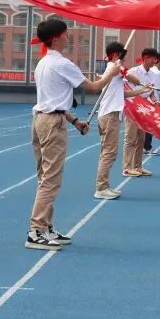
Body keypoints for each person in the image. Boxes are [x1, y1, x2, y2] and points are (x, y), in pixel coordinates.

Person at [27, 19, 120, 250]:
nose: (69, 38)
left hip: (41, 119)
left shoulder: (43, 64)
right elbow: (93, 87)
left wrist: (75, 120)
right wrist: (112, 72)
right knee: (51, 179)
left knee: (45, 177)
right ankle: (36, 230)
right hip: (51, 124)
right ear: (57, 38)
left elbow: (51, 102)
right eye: (66, 35)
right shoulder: (62, 63)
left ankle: (46, 227)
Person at [93, 41, 151, 200]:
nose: (125, 62)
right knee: (109, 153)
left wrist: (142, 90)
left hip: (110, 115)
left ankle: (103, 185)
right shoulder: (114, 68)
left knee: (107, 152)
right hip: (109, 115)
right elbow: (131, 76)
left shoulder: (114, 70)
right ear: (117, 55)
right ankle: (101, 187)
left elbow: (123, 94)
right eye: (123, 58)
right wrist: (140, 82)